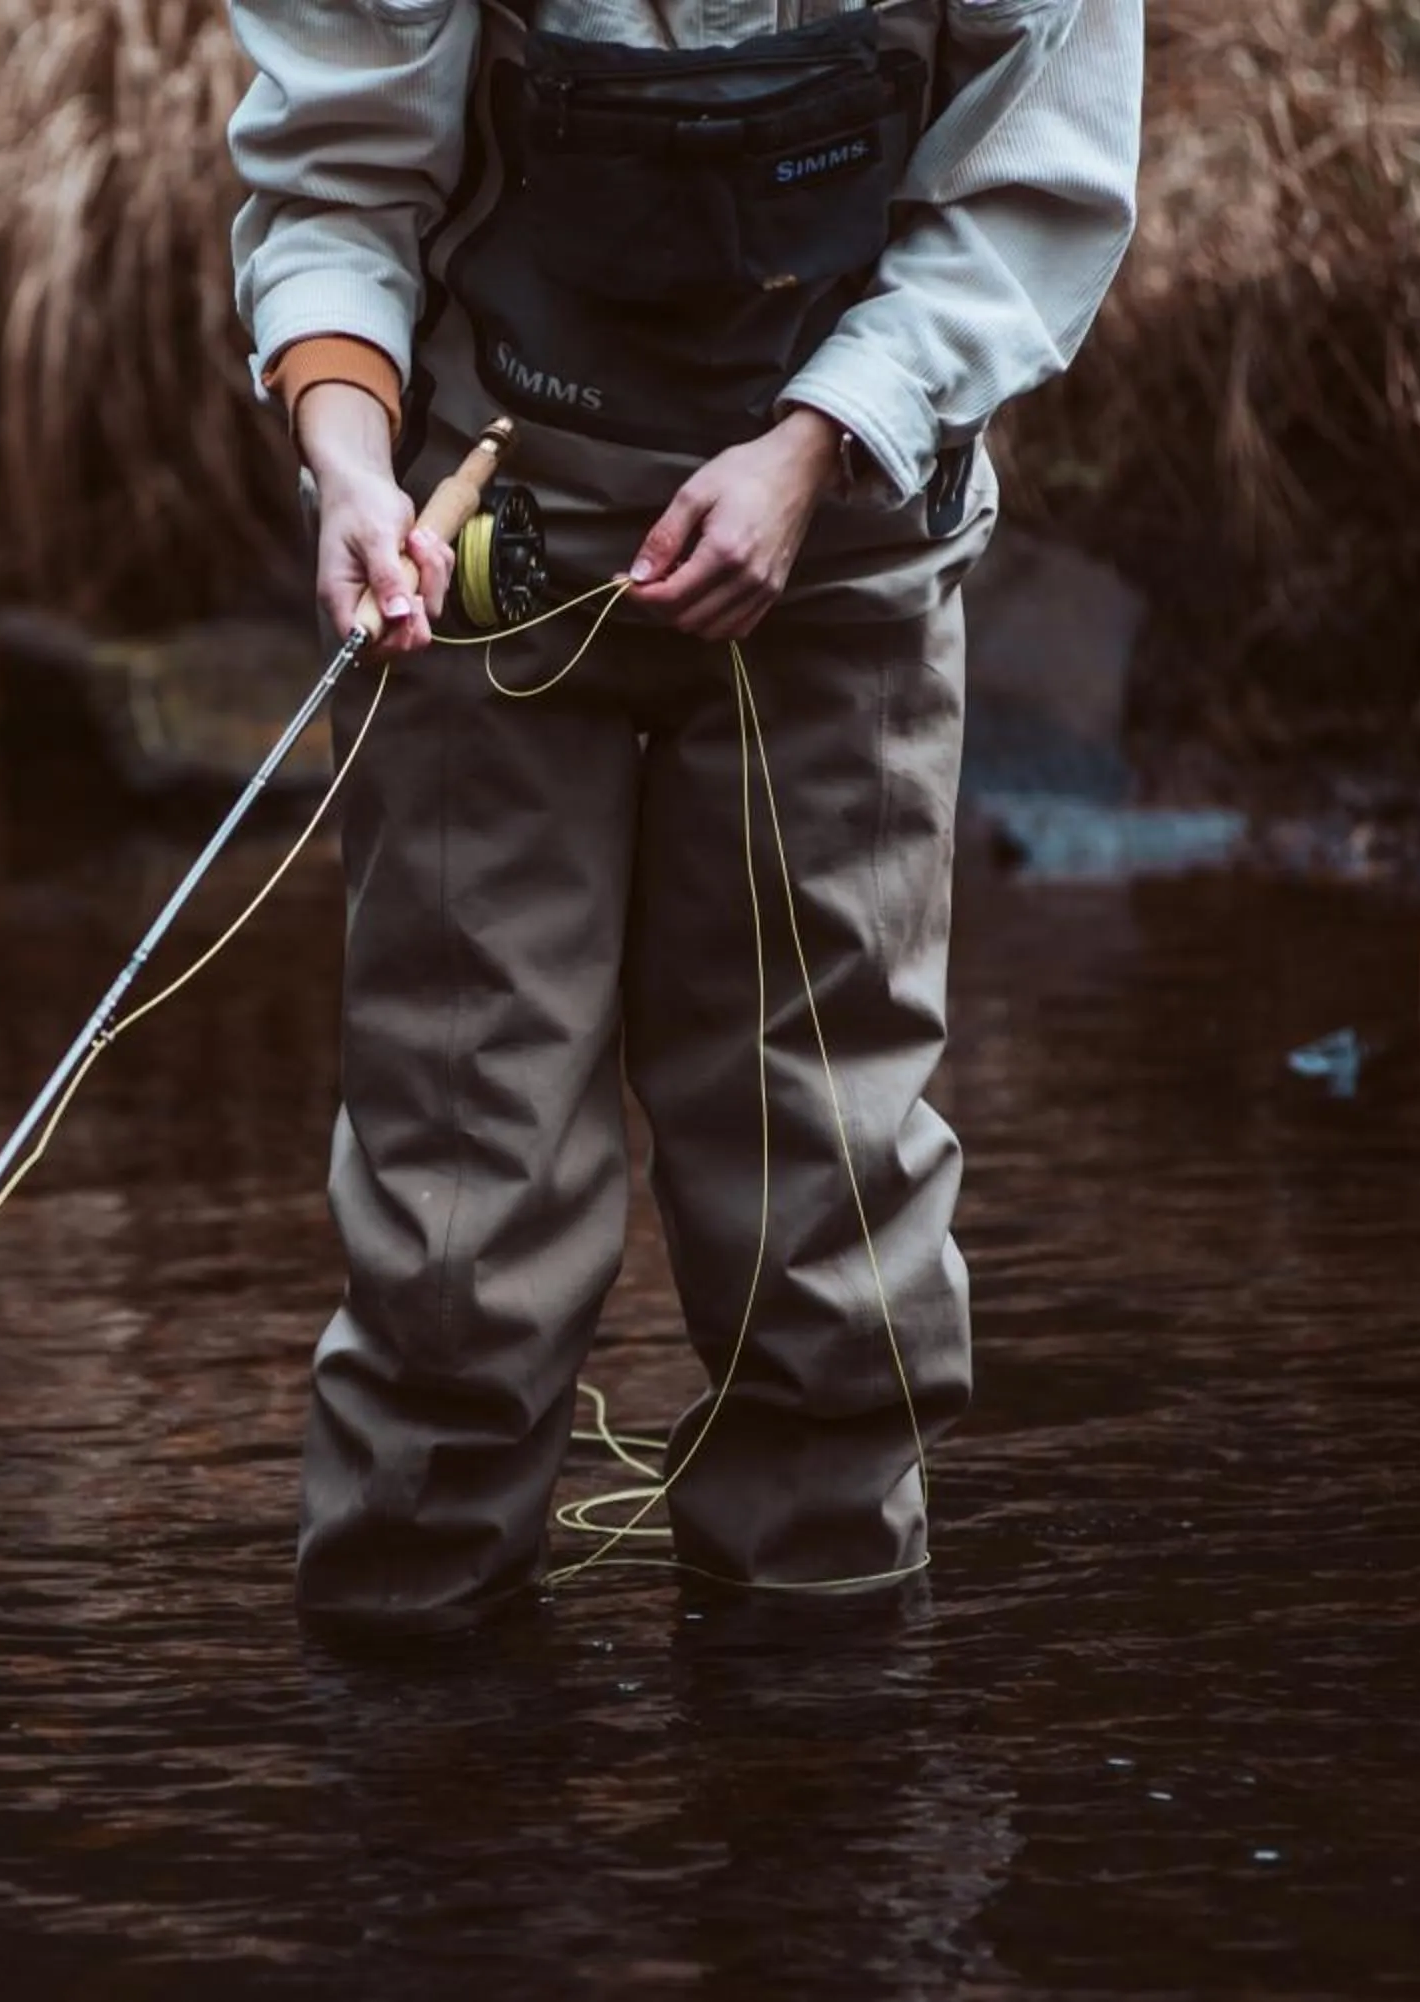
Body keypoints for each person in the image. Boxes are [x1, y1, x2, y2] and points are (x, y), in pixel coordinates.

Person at [224, 0, 1145, 1639]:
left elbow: (1034, 179)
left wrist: (814, 444)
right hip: (479, 567)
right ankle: (412, 1702)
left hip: (848, 524)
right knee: (459, 1215)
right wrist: (351, 463)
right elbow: (340, 178)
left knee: (830, 1206)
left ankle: (833, 1706)